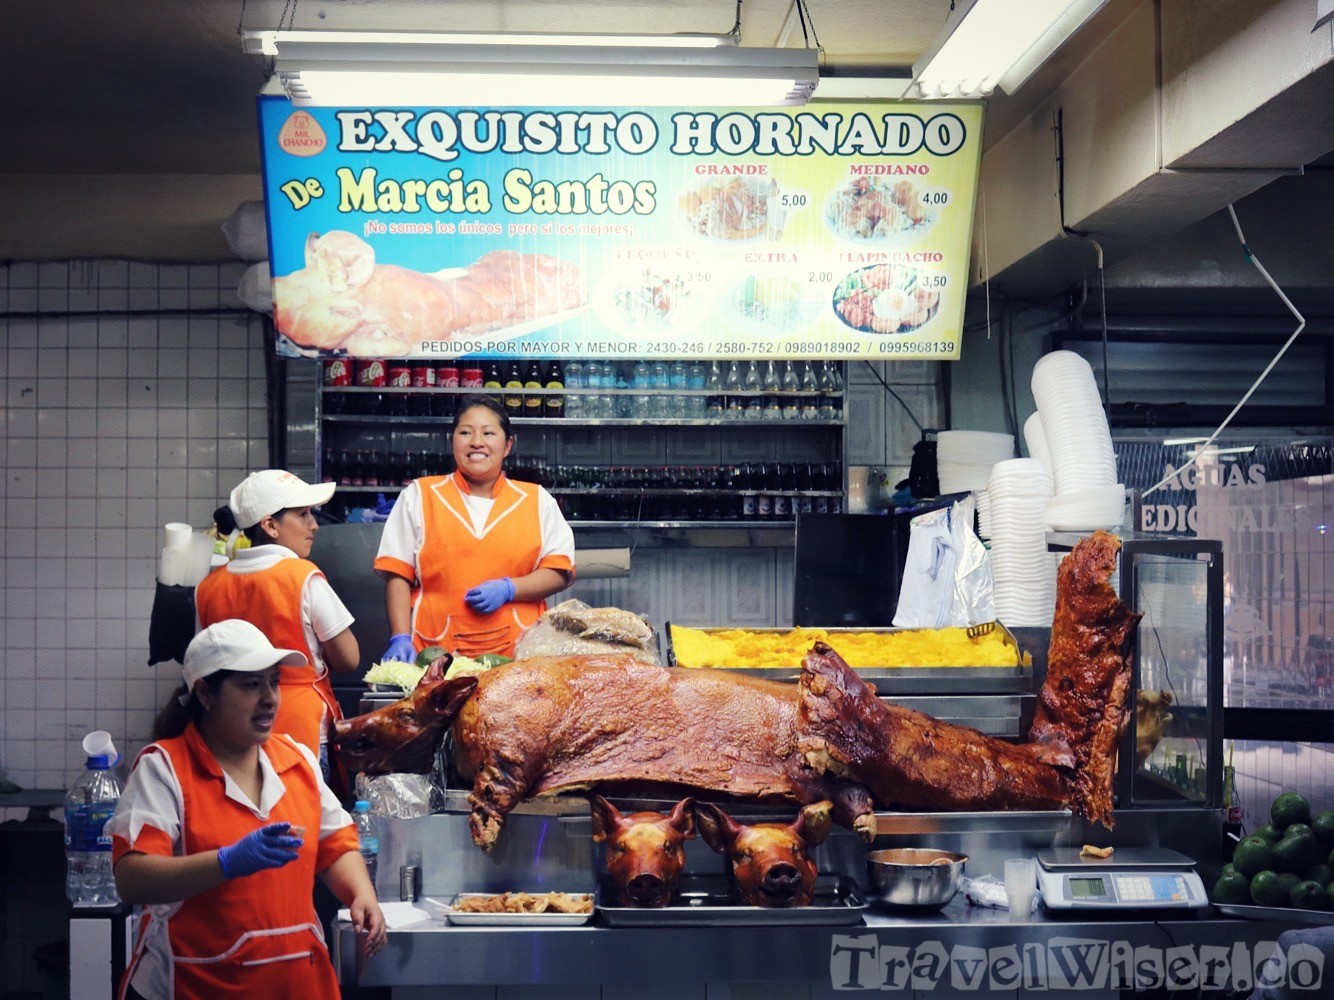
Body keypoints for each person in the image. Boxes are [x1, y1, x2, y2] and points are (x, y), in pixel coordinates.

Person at [107, 619, 385, 1000]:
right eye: (252, 685)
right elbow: (132, 877)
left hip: (298, 986)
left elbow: (334, 843)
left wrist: (360, 895)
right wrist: (225, 863)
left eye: (274, 682)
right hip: (196, 985)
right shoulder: (165, 769)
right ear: (205, 694)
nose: (270, 697)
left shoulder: (297, 761)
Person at [375, 393, 575, 660]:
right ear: (453, 441)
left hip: (520, 654)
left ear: (507, 445)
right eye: (466, 432)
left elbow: (559, 571)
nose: (477, 442)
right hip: (436, 651)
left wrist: (509, 589)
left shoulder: (538, 501)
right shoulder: (419, 496)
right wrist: (399, 637)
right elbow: (397, 573)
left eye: (489, 433)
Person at [195, 469, 357, 781]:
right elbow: (348, 658)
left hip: (229, 735)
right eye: (303, 515)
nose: (314, 525)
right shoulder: (302, 576)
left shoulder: (209, 587)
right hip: (301, 735)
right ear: (270, 525)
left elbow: (202, 664)